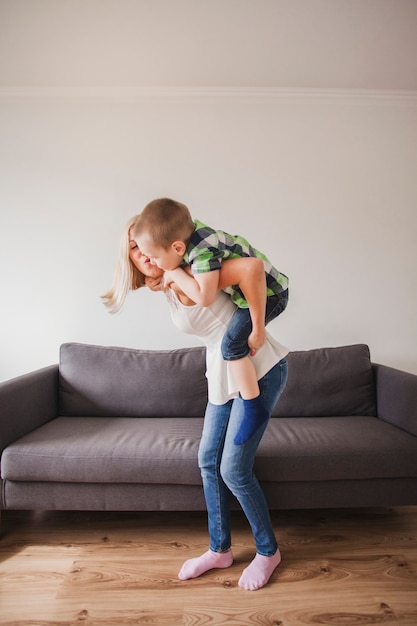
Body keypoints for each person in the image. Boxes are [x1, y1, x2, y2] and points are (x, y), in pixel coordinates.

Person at [102, 216, 290, 591]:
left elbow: (252, 270)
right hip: (221, 376)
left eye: (147, 245)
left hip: (259, 368)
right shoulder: (172, 283)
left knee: (234, 470)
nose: (145, 255)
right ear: (132, 260)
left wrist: (256, 327)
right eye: (135, 250)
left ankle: (268, 552)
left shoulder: (199, 268)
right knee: (208, 461)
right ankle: (219, 550)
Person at [132, 198, 289, 445]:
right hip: (251, 296)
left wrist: (258, 329)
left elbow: (205, 297)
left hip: (271, 294)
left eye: (153, 256)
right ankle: (252, 406)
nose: (151, 261)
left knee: (232, 346)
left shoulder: (202, 256)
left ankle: (253, 408)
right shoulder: (189, 241)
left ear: (177, 248)